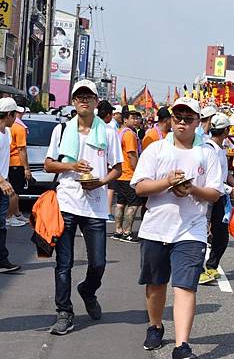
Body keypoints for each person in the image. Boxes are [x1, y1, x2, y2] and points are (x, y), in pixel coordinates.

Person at [131, 97, 223, 359]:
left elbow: (215, 193)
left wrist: (191, 188)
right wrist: (167, 182)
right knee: (156, 283)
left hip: (191, 229)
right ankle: (155, 325)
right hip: (156, 228)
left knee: (185, 286)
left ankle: (182, 346)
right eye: (178, 117)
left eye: (188, 118)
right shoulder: (156, 149)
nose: (182, 122)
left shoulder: (207, 152)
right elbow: (139, 186)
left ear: (198, 122)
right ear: (171, 119)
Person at [44, 80, 123, 334]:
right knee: (63, 263)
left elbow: (118, 169)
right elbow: (48, 165)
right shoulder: (62, 130)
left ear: (96, 102)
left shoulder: (109, 132)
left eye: (88, 96)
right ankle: (64, 312)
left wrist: (100, 181)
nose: (84, 100)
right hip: (67, 202)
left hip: (96, 206)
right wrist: (71, 166)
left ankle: (88, 291)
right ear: (74, 101)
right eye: (79, 96)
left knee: (98, 262)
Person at [198, 113, 234, 285]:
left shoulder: (220, 149)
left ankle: (211, 267)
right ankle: (199, 270)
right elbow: (214, 179)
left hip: (220, 197)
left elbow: (225, 175)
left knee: (221, 236)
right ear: (226, 130)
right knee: (202, 235)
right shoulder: (208, 148)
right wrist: (230, 190)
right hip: (207, 196)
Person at [113, 105, 143, 243]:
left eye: (137, 117)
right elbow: (132, 155)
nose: (136, 120)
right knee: (134, 204)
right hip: (129, 174)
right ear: (125, 119)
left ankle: (118, 230)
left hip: (119, 174)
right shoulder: (130, 134)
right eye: (133, 117)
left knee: (120, 203)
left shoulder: (120, 131)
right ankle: (127, 232)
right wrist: (138, 172)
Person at [0, 98, 21, 273]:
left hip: (3, 184)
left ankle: (2, 259)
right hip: (1, 183)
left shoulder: (7, 132)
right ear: (9, 114)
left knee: (1, 223)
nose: (16, 118)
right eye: (15, 114)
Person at [6, 103, 29, 227]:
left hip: (8, 163)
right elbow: (21, 149)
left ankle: (17, 214)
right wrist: (26, 168)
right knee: (15, 192)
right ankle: (9, 217)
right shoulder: (19, 128)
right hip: (16, 163)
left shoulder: (8, 126)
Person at [97, 100, 117, 222]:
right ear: (108, 115)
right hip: (105, 172)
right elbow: (116, 163)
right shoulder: (109, 131)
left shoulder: (88, 127)